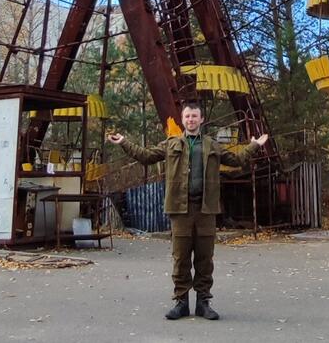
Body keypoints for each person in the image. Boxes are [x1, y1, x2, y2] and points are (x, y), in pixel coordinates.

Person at [108, 101, 269, 321]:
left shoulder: (212, 145)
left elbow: (237, 160)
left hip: (205, 210)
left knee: (205, 258)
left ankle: (203, 303)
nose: (191, 120)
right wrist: (124, 142)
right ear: (183, 120)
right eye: (187, 117)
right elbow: (145, 156)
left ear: (201, 120)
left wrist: (254, 145)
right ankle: (181, 303)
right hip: (180, 210)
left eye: (195, 116)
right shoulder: (172, 143)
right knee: (180, 258)